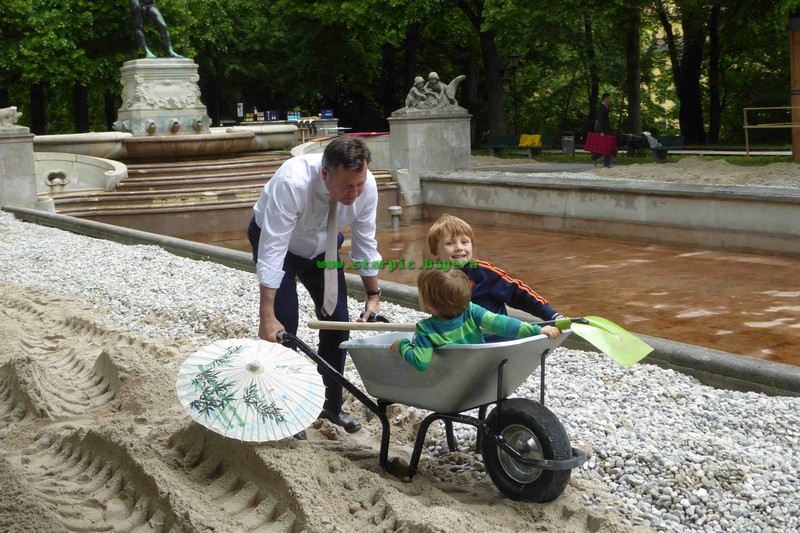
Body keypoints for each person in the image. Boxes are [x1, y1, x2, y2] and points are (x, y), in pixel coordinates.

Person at [248, 136, 382, 439]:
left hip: (324, 248)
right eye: (347, 186)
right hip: (279, 243)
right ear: (325, 174)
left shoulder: (366, 186)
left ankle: (329, 405)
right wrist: (266, 315)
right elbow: (273, 249)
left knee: (338, 323)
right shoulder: (293, 181)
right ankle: (286, 409)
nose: (355, 192)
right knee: (285, 325)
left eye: (359, 184)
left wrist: (373, 296)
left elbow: (364, 242)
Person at [389, 269, 560, 371]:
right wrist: (537, 330)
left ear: (430, 305)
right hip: (480, 372)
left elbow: (421, 363)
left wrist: (403, 345)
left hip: (449, 378)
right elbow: (503, 324)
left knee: (413, 342)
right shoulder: (472, 310)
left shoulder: (426, 329)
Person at [426, 214, 565, 334]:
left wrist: (551, 314)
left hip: (494, 337)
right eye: (450, 243)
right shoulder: (434, 278)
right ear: (435, 251)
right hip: (457, 340)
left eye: (464, 242)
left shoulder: (484, 272)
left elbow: (517, 292)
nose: (459, 248)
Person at [590, 92, 614, 168]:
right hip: (604, 131)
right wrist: (601, 132)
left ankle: (599, 159)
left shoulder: (605, 107)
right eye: (609, 99)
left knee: (607, 147)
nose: (610, 101)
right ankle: (605, 162)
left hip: (607, 130)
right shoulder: (601, 108)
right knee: (606, 147)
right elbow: (600, 121)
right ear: (605, 99)